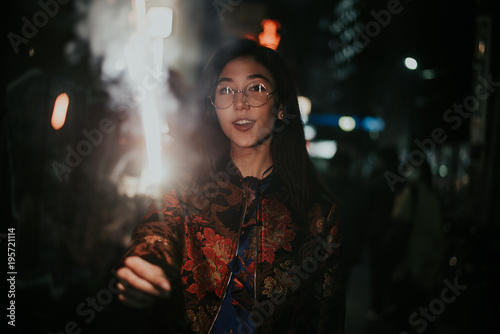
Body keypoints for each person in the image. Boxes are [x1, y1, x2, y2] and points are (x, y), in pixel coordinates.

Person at [116, 39, 345, 334]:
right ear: (213, 106)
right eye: (225, 90)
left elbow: (326, 319)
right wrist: (146, 263)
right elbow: (156, 235)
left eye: (256, 88)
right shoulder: (183, 189)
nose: (240, 102)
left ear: (281, 106)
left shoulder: (320, 214)